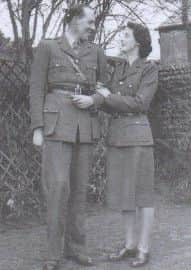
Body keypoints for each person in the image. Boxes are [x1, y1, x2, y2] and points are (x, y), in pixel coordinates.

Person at [29, 4, 107, 270]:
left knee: (79, 190)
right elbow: (36, 88)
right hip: (56, 126)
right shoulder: (48, 47)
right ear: (74, 19)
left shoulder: (96, 52)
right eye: (89, 21)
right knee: (58, 188)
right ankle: (53, 254)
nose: (92, 26)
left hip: (85, 127)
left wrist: (93, 98)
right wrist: (38, 128)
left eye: (94, 22)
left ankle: (77, 248)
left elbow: (105, 88)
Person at [96, 22, 158, 267]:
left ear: (138, 42)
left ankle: (143, 248)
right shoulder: (118, 68)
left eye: (125, 36)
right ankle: (129, 245)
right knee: (125, 195)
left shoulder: (149, 69)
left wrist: (107, 96)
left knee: (142, 195)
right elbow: (108, 101)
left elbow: (140, 103)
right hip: (117, 136)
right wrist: (97, 97)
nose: (121, 39)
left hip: (139, 138)